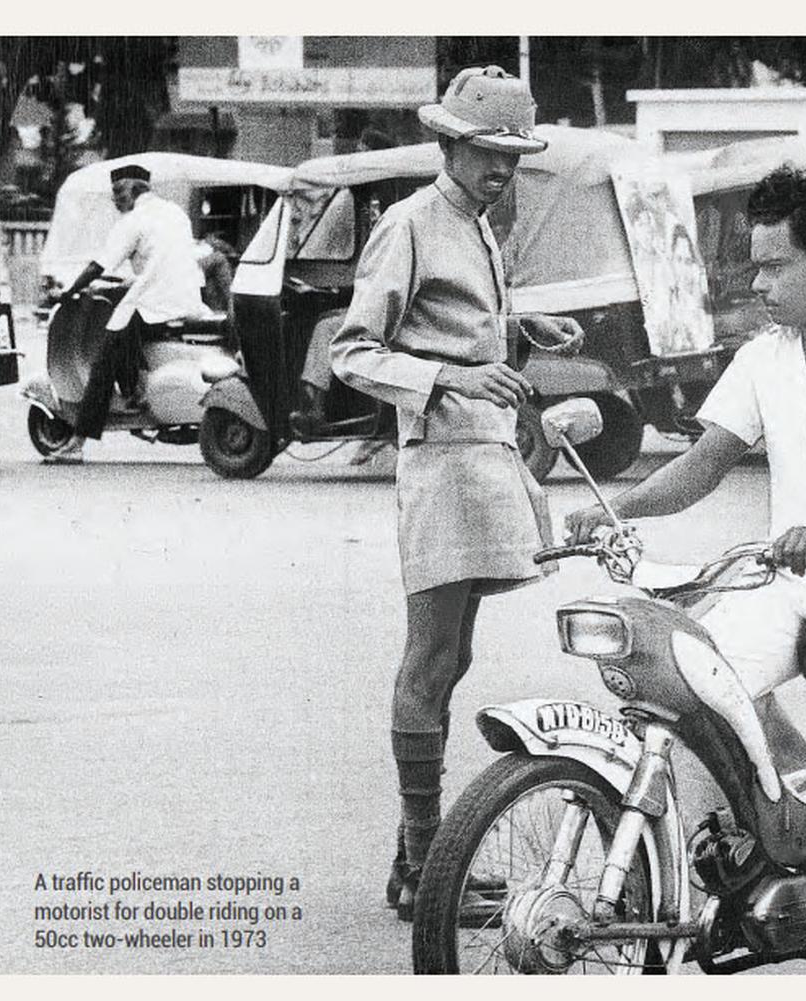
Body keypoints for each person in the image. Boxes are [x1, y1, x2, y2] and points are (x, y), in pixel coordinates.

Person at [566, 168, 806, 974]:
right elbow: (708, 460)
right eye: (755, 265)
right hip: (796, 580)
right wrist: (617, 511)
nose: (758, 283)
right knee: (688, 676)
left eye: (775, 266)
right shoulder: (764, 356)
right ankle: (772, 839)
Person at [328, 66, 583, 921]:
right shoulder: (408, 223)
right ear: (449, 144)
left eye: (513, 154)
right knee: (429, 657)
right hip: (439, 461)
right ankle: (427, 864)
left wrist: (522, 324)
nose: (500, 168)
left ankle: (417, 858)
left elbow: (459, 322)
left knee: (453, 656)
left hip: (484, 462)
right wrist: (453, 379)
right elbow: (353, 351)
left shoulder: (474, 225)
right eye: (486, 152)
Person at [44, 163, 206, 463]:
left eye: (119, 191)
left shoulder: (134, 221)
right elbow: (163, 258)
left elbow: (99, 266)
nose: (115, 199)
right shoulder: (176, 214)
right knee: (124, 326)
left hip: (154, 304)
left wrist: (67, 293)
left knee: (104, 359)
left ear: (136, 189)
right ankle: (134, 392)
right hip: (187, 300)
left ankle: (77, 442)